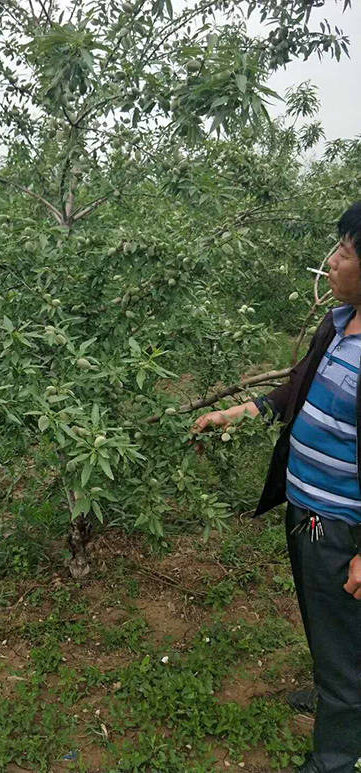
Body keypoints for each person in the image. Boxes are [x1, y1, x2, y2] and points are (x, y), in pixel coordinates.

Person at [193, 202, 361, 773]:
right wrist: (238, 412)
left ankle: (336, 755)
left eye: (345, 252)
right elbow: (295, 389)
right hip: (307, 511)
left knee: (342, 638)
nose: (332, 261)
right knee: (326, 623)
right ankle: (337, 696)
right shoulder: (338, 324)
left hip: (341, 527)